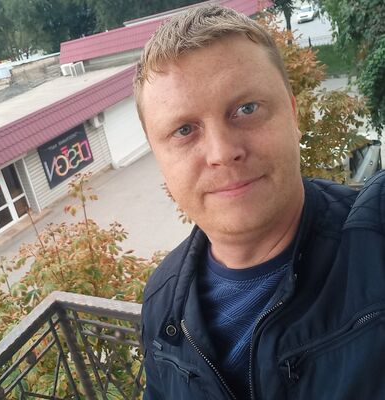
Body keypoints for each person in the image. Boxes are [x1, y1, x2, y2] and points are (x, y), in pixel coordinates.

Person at [134, 5, 385, 400]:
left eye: (246, 109)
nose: (222, 152)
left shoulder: (375, 242)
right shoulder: (161, 300)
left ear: (292, 114)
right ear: (158, 159)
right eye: (184, 130)